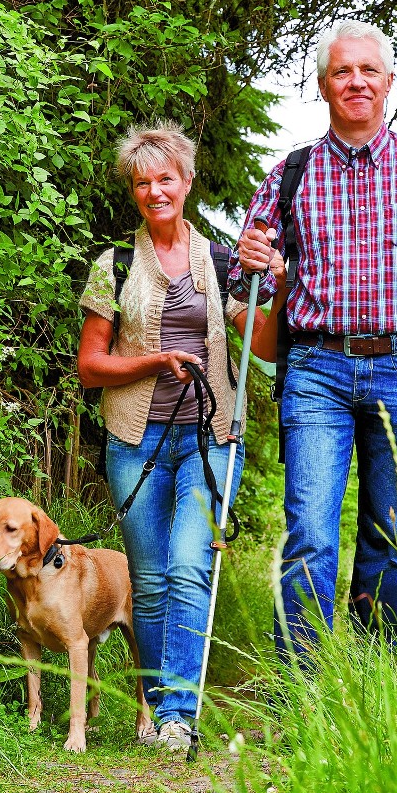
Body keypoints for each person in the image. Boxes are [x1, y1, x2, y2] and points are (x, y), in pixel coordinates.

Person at [228, 20, 397, 662]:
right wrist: (251, 256)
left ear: (388, 82)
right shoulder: (291, 173)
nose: (356, 82)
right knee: (312, 533)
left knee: (388, 534)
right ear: (323, 85)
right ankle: (302, 683)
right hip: (317, 368)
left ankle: (376, 682)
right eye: (342, 72)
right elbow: (245, 279)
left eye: (368, 71)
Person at [78, 121, 287, 750]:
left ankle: (176, 719)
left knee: (190, 566)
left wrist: (270, 285)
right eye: (143, 182)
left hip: (211, 434)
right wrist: (150, 361)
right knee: (150, 578)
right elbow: (91, 367)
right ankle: (156, 710)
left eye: (165, 178)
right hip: (133, 440)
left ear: (187, 182)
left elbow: (268, 347)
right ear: (134, 192)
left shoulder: (224, 262)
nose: (154, 191)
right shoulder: (113, 265)